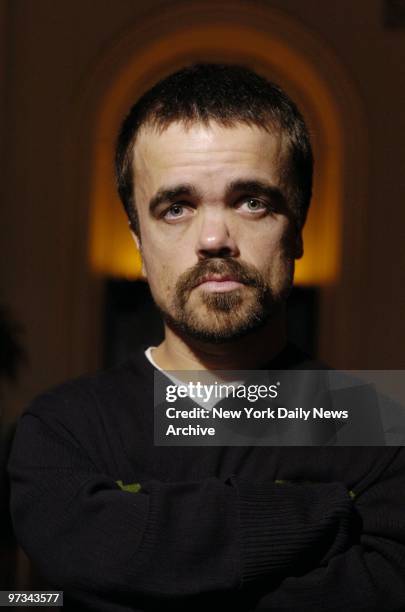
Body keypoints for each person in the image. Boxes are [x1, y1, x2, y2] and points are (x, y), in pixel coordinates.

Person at [7, 64, 405, 611]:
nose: (214, 238)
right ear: (140, 243)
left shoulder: (382, 435)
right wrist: (320, 512)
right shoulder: (62, 431)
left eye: (252, 202)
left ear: (299, 228)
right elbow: (39, 597)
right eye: (176, 207)